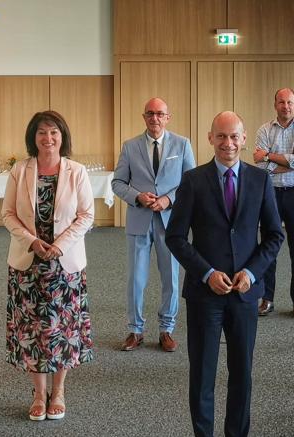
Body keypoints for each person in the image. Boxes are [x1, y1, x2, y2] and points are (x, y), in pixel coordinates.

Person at [165, 111, 284, 437]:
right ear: (210, 138)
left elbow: (274, 235)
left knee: (242, 374)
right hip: (205, 294)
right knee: (202, 375)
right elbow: (175, 237)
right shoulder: (192, 181)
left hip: (245, 293)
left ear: (244, 139)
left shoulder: (260, 180)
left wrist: (252, 273)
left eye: (234, 136)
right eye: (221, 136)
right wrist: (206, 273)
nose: (227, 143)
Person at [1, 111, 94, 421]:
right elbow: (8, 214)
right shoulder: (20, 170)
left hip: (64, 264)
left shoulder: (76, 171)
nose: (48, 138)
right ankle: (39, 393)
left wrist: (60, 244)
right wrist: (32, 241)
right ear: (33, 137)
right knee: (32, 329)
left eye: (54, 132)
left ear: (62, 136)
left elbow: (86, 215)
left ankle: (59, 390)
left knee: (62, 329)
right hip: (28, 263)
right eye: (42, 132)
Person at [111, 97, 196, 352]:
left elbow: (191, 183)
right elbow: (117, 183)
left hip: (171, 223)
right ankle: (135, 330)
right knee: (136, 279)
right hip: (139, 220)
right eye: (150, 113)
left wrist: (168, 199)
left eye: (160, 114)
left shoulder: (182, 144)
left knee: (170, 277)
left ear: (167, 118)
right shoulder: (130, 147)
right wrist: (137, 196)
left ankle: (166, 329)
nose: (155, 118)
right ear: (144, 117)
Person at [253, 88, 294, 318]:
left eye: (289, 102)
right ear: (275, 105)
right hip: (270, 193)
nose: (286, 106)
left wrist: (269, 155)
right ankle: (267, 298)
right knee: (269, 246)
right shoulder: (264, 130)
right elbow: (260, 167)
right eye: (281, 102)